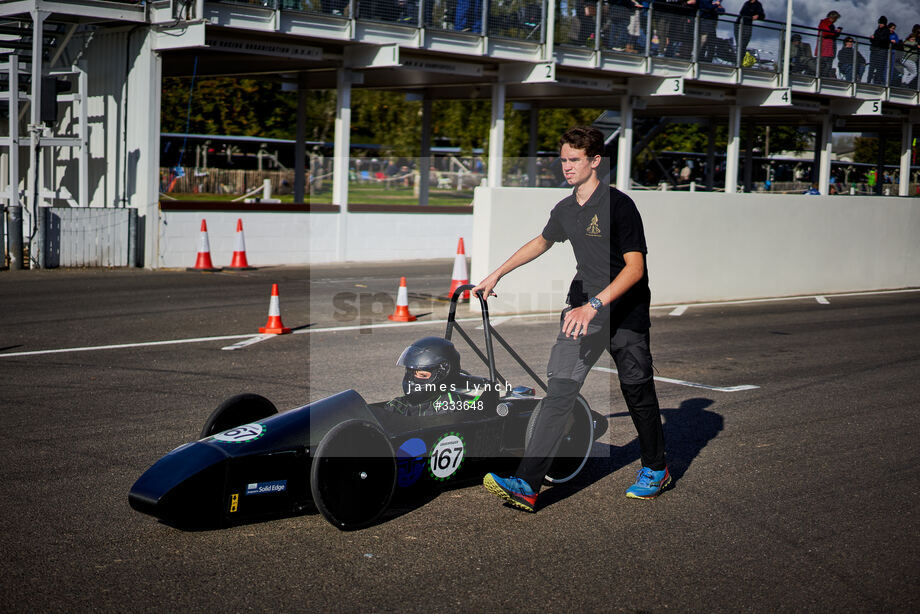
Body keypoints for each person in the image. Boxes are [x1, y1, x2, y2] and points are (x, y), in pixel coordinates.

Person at [477, 126, 669, 512]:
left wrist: (594, 305)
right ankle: (527, 485)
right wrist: (496, 273)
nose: (566, 167)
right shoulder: (566, 209)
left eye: (574, 160)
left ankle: (656, 469)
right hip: (581, 312)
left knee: (637, 393)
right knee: (559, 392)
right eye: (563, 159)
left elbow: (635, 270)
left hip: (624, 313)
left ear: (595, 161)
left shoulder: (619, 205)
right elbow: (542, 241)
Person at [383, 337, 469, 416]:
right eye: (410, 373)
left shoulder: (449, 405)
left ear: (442, 375)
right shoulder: (400, 404)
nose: (411, 381)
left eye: (422, 375)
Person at [815, 10, 842, 78]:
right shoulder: (824, 23)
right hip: (825, 48)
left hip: (830, 48)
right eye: (835, 18)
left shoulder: (830, 24)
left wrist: (836, 32)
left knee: (828, 65)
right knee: (824, 65)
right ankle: (821, 78)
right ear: (832, 17)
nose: (835, 20)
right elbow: (826, 33)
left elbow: (831, 34)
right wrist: (835, 32)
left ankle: (824, 77)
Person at [869, 16, 889, 85]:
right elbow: (874, 40)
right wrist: (871, 38)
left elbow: (884, 39)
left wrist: (875, 37)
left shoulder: (886, 30)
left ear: (884, 24)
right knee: (872, 66)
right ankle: (869, 80)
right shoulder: (877, 30)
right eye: (879, 23)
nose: (880, 24)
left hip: (881, 51)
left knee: (880, 67)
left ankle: (878, 81)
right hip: (874, 50)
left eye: (881, 23)